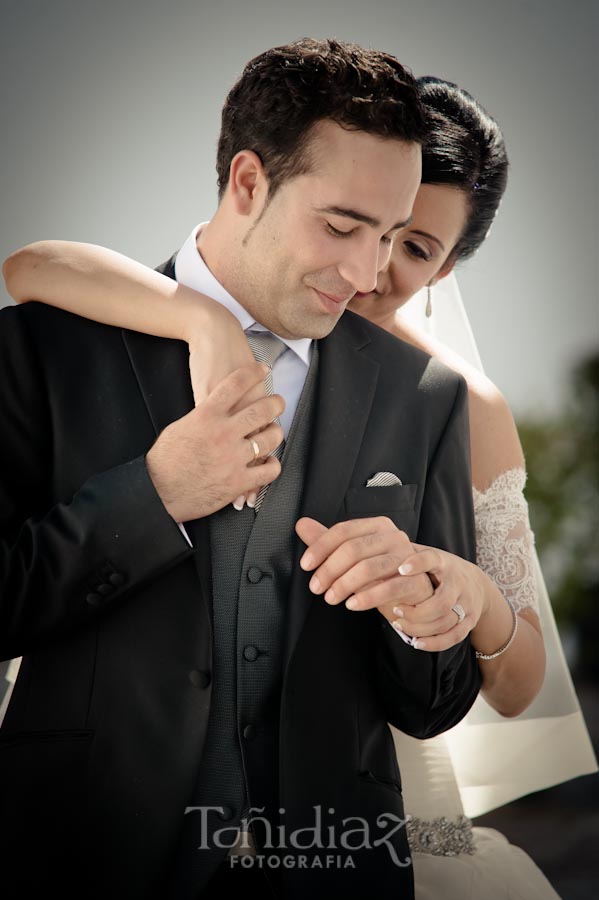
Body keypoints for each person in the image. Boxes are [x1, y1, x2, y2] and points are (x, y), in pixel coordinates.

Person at [6, 74, 596, 898]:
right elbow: (33, 265)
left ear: (446, 268)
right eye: (354, 225)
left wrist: (454, 590)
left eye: (408, 246)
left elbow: (496, 681)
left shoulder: (438, 399)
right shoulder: (108, 329)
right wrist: (197, 332)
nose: (371, 269)